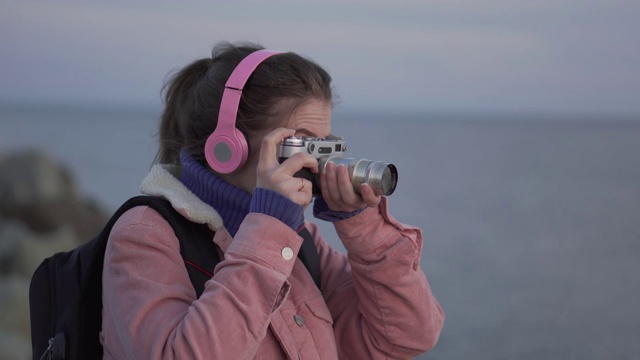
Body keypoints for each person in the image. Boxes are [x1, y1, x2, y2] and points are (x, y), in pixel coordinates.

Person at [100, 41, 444, 359]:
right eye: (301, 145)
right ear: (227, 149)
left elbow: (408, 336)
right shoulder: (146, 236)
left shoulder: (299, 245)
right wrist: (269, 229)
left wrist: (362, 225)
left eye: (324, 146)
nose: (314, 164)